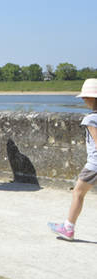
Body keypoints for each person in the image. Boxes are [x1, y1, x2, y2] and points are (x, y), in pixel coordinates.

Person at [48, 78, 97, 241]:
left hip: (94, 165)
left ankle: (68, 228)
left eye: (85, 97)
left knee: (77, 193)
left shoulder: (91, 119)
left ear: (91, 98)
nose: (83, 99)